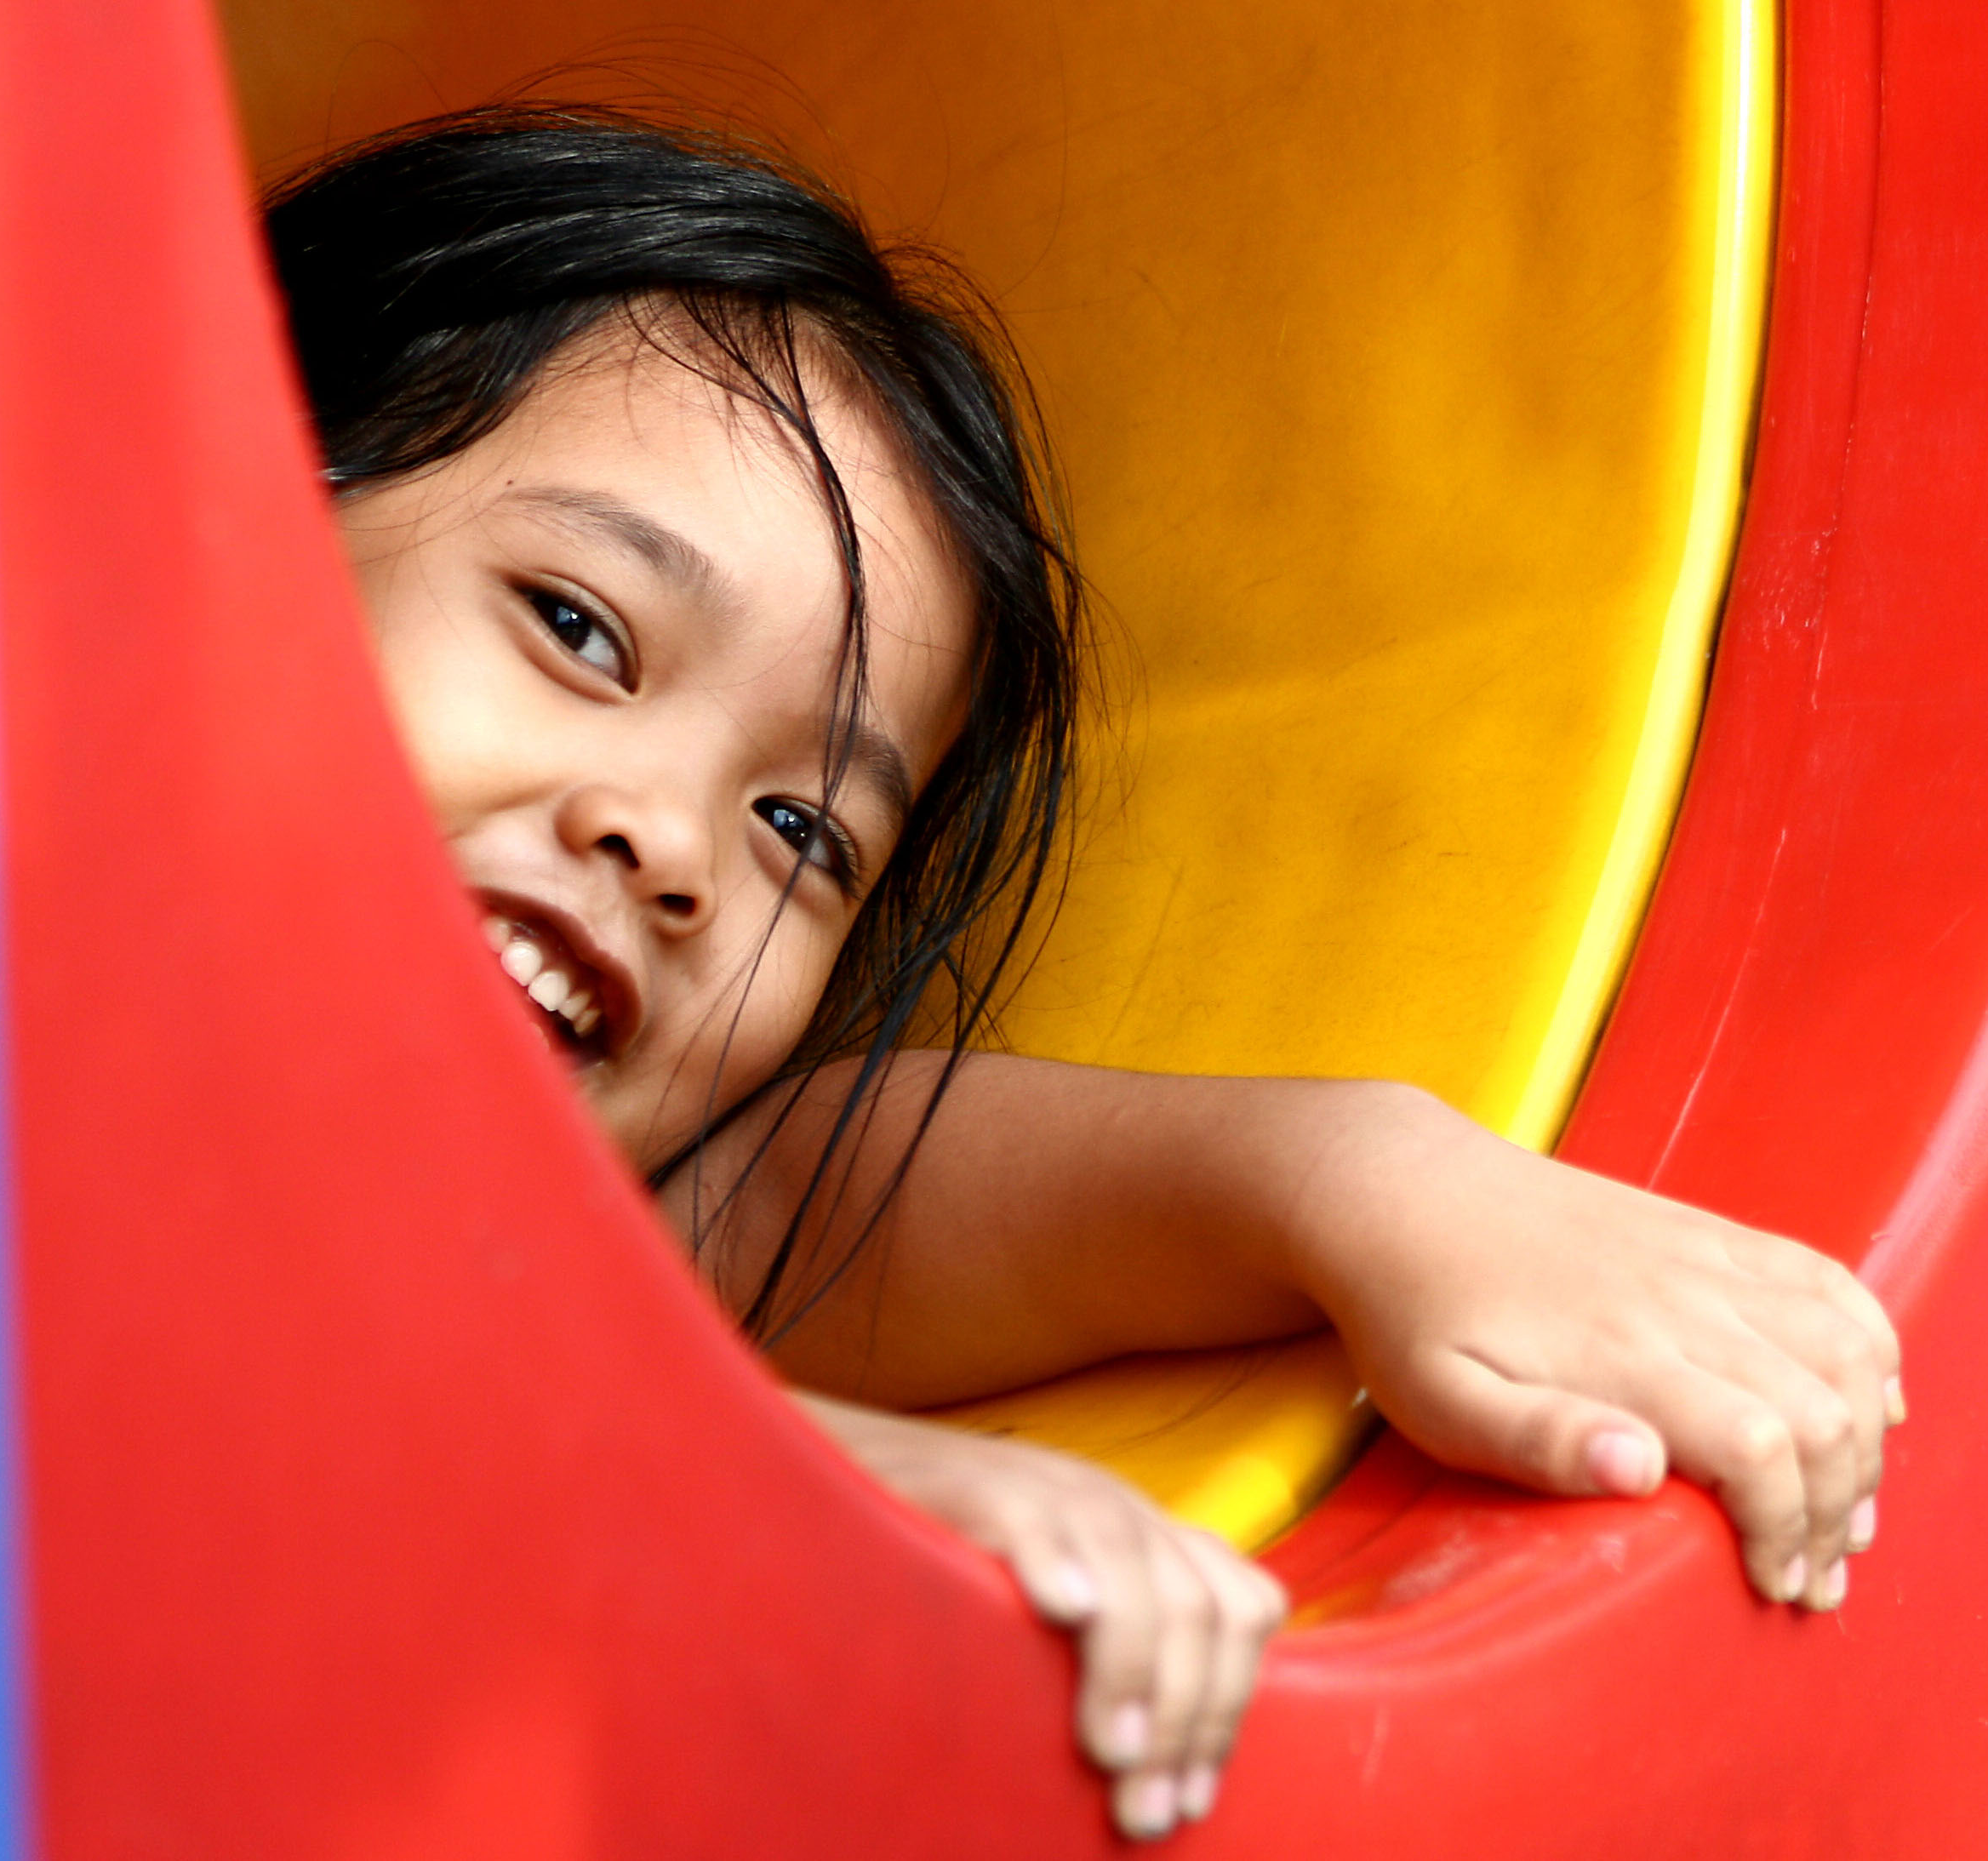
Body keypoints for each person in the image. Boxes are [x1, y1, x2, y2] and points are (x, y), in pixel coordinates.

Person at [273, 105, 1904, 1841]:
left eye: (801, 832)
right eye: (579, 629)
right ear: (213, 503)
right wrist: (736, 1474)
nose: (669, 840)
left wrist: (1356, 1176)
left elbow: (828, 1191)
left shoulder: (565, 1244)